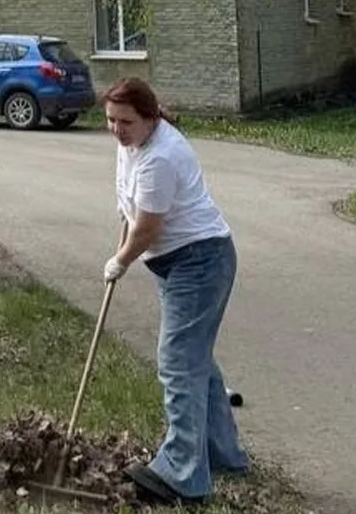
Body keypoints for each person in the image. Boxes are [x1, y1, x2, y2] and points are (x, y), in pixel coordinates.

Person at [99, 77, 248, 505]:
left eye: (125, 121)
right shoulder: (131, 146)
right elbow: (129, 211)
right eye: (110, 119)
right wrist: (120, 249)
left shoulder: (162, 156)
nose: (116, 129)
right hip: (177, 263)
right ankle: (225, 455)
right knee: (195, 359)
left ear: (150, 117)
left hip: (200, 262)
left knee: (178, 363)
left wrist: (122, 260)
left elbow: (148, 227)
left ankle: (182, 474)